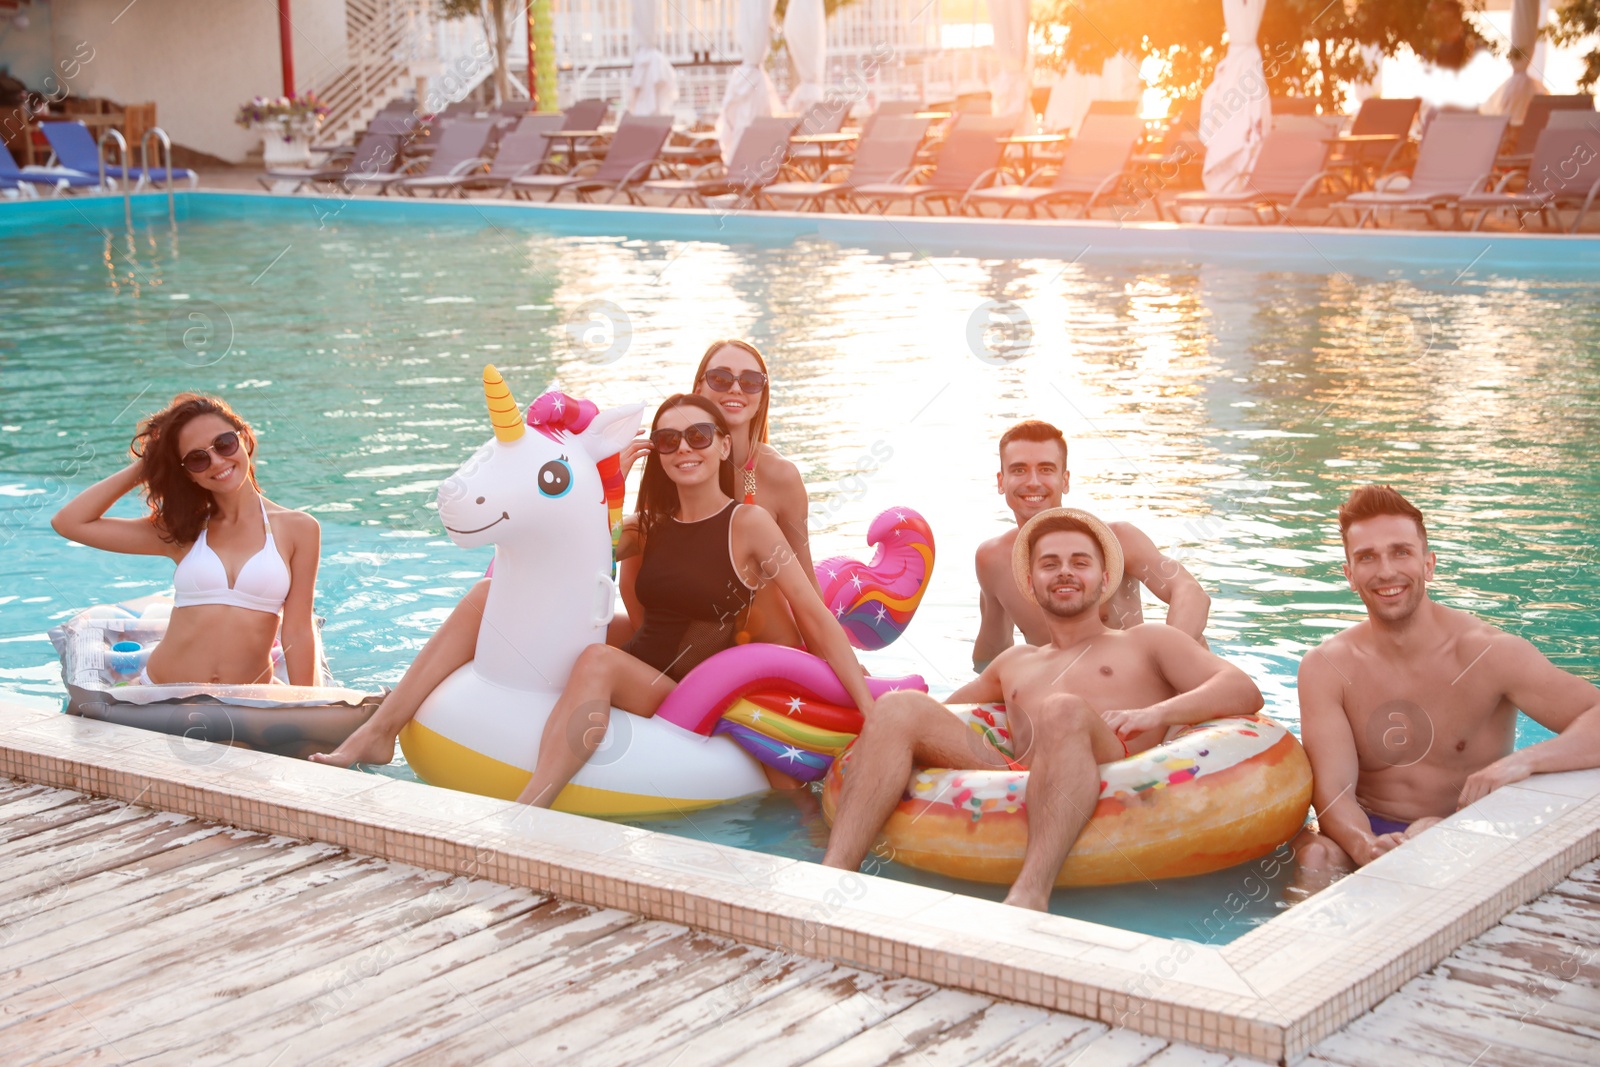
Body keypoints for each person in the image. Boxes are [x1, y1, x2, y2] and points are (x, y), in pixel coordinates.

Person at [314, 339, 819, 768]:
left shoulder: (776, 478)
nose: (735, 389)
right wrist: (607, 480)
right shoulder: (674, 457)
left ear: (764, 394)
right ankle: (381, 728)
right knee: (486, 595)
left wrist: (831, 675)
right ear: (699, 386)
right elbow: (604, 550)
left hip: (729, 646)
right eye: (721, 377)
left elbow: (807, 586)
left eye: (750, 382)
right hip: (665, 629)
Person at [823, 507, 1263, 910]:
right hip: (1013, 775)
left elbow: (1242, 688)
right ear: (1031, 583)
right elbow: (933, 716)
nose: (1065, 572)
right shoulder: (1016, 662)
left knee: (1062, 710)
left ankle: (1029, 895)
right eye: (1050, 564)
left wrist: (1160, 714)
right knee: (899, 707)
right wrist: (871, 712)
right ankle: (831, 876)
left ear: (1105, 577)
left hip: (1115, 766)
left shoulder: (1147, 641)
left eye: (1080, 562)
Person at [516, 394, 873, 804]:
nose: (684, 447)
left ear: (723, 446)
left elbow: (812, 613)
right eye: (668, 440)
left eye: (698, 435)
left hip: (689, 692)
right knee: (549, 623)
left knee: (597, 660)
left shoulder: (749, 524)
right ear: (660, 456)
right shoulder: (649, 525)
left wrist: (867, 707)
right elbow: (578, 553)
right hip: (639, 669)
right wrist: (608, 485)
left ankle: (528, 811)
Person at [1295, 485, 1600, 871]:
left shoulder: (1491, 653)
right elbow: (1335, 797)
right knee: (1316, 857)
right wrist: (1366, 847)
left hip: (1462, 830)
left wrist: (1525, 761)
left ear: (1429, 564)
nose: (1386, 571)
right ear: (1350, 575)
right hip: (1368, 831)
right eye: (1367, 557)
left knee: (1426, 831)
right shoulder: (1326, 667)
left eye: (1401, 552)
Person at [50, 394, 321, 686]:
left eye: (224, 443)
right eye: (197, 459)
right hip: (162, 692)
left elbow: (297, 630)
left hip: (247, 700)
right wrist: (149, 466)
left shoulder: (299, 529)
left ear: (244, 438)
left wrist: (308, 705)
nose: (217, 461)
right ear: (187, 473)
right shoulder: (181, 530)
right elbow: (69, 523)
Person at [973, 420, 1210, 671]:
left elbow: (1189, 592)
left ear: (1065, 480)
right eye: (1019, 470)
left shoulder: (1116, 540)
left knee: (1194, 646)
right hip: (1066, 690)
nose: (1033, 482)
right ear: (1001, 481)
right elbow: (990, 655)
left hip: (1136, 680)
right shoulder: (993, 559)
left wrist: (1169, 660)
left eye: (1046, 469)